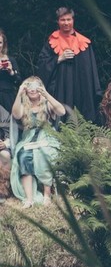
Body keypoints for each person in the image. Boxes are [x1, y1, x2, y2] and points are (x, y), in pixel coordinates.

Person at [36, 7, 101, 124]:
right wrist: (59, 59)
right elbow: (41, 65)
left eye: (68, 19)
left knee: (81, 118)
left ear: (73, 20)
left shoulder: (84, 43)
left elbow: (91, 71)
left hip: (81, 88)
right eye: (62, 20)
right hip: (60, 87)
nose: (66, 23)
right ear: (58, 22)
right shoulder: (51, 41)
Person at [10, 77, 65, 207]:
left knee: (45, 153)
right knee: (23, 155)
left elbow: (61, 111)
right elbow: (16, 114)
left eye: (35, 86)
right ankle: (29, 198)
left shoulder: (47, 103)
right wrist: (19, 93)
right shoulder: (24, 105)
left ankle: (47, 194)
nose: (32, 89)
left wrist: (46, 94)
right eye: (29, 86)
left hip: (47, 138)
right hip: (28, 140)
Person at [0, 28, 22, 113]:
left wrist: (12, 72)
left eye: (0, 42)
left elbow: (19, 82)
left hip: (8, 97)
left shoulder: (11, 60)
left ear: (3, 44)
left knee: (8, 124)